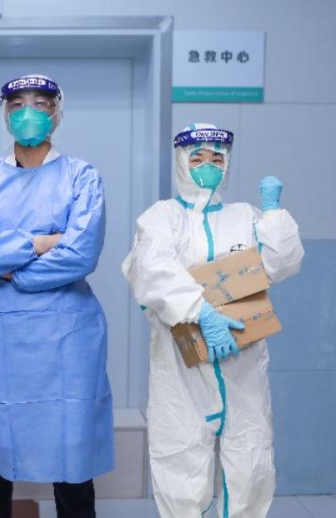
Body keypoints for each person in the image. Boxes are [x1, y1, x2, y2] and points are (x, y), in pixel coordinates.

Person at [121, 123, 304, 517]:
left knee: (250, 459)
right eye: (198, 158)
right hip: (180, 363)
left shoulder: (244, 217)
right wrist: (200, 311)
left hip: (243, 360)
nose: (208, 165)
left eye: (217, 158)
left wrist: (273, 215)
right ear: (180, 161)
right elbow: (150, 271)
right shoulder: (162, 217)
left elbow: (281, 265)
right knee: (181, 455)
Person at [0, 74, 114, 518]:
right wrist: (44, 241)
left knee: (72, 455)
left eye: (41, 103)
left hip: (67, 335)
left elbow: (81, 255)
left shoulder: (82, 176)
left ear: (57, 113)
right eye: (18, 104)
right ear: (5, 114)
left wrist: (10, 267)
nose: (29, 112)